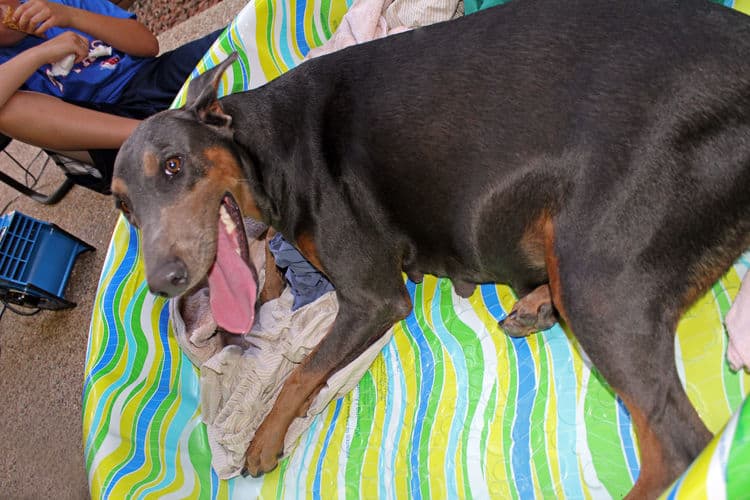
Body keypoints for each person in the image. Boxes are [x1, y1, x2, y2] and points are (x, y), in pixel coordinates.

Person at [0, 0, 222, 192]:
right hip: (104, 135)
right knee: (6, 111)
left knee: (232, 44)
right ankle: (162, 135)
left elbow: (147, 45)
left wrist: (70, 16)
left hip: (145, 77)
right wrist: (39, 54)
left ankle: (183, 132)